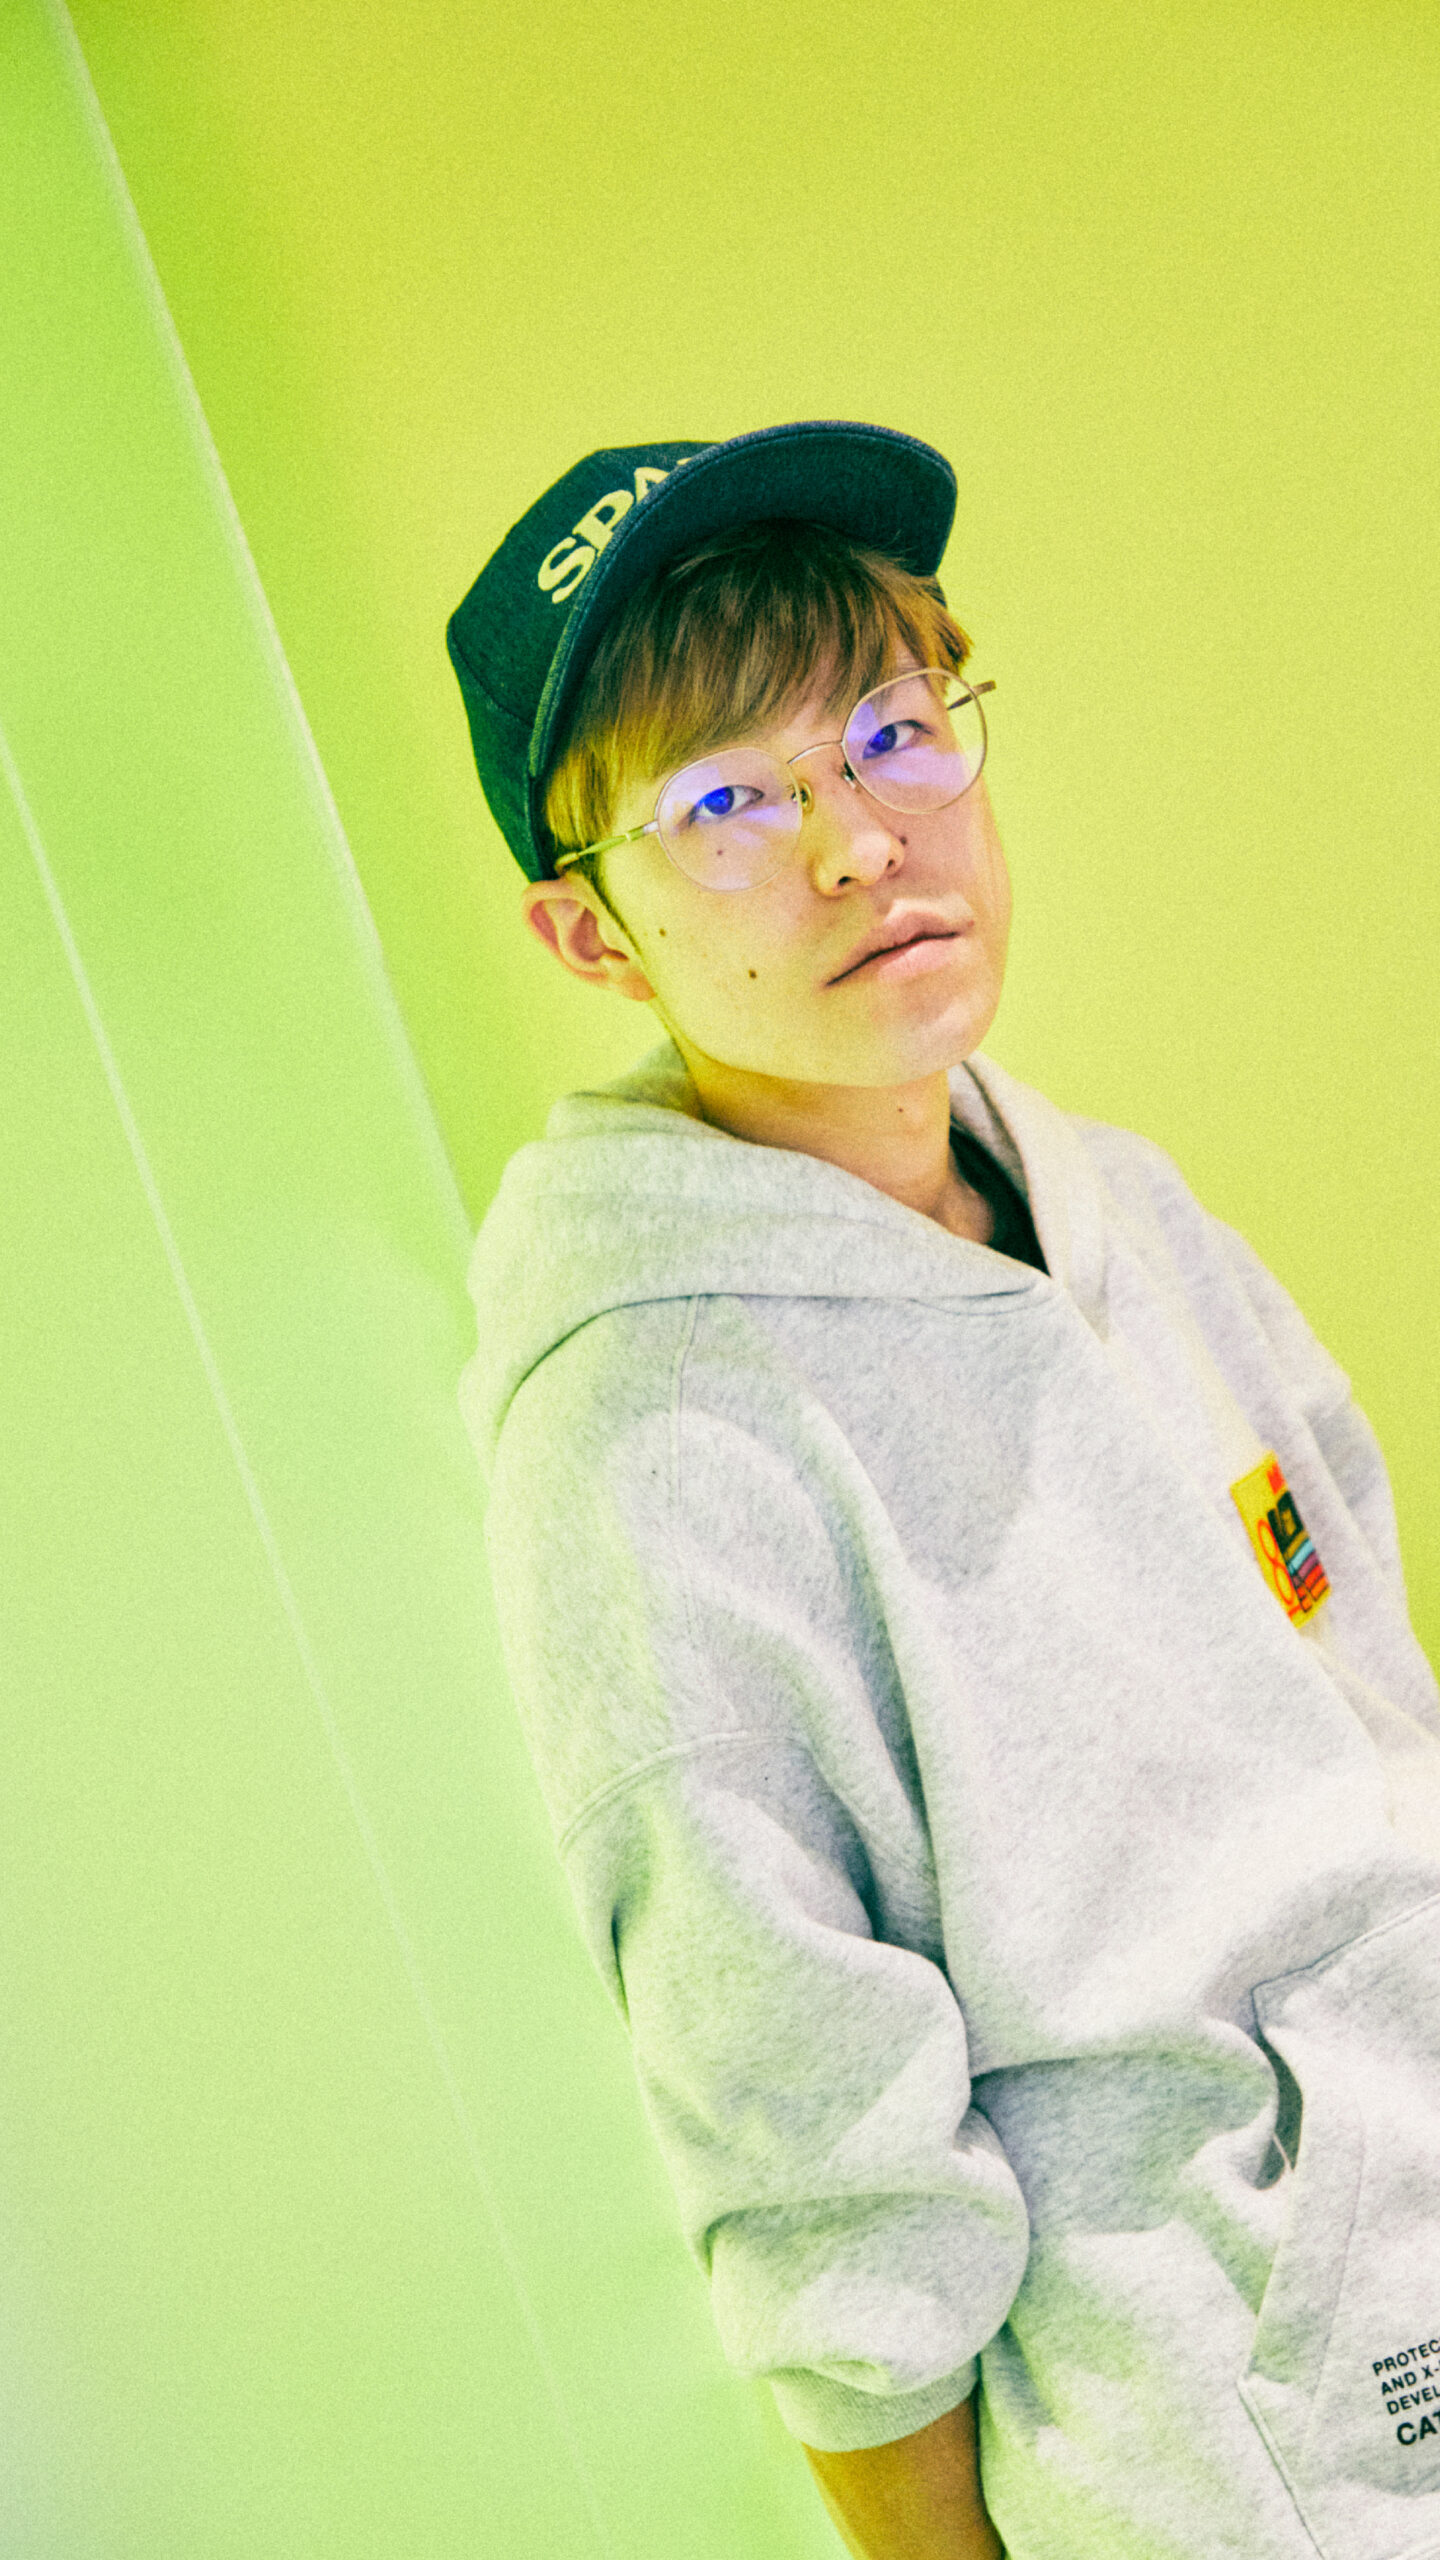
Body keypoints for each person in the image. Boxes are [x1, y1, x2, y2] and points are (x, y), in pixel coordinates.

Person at [445, 421, 1440, 2560]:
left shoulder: (1109, 1197)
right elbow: (806, 2139)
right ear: (589, 933)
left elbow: (1372, 1714)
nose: (857, 844)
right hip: (1251, 2453)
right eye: (724, 804)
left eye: (894, 731)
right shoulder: (648, 1426)